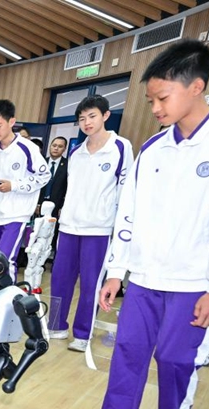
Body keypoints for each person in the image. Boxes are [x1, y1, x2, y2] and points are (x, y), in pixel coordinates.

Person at [72, 40, 209, 409]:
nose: (155, 107)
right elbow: (129, 212)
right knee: (128, 354)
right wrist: (117, 271)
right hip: (144, 278)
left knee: (177, 361)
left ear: (196, 86)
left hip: (195, 282)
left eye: (162, 97)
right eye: (150, 100)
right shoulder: (153, 149)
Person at [48, 96, 133, 352]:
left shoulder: (121, 147)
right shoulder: (76, 151)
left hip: (99, 229)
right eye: (82, 118)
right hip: (69, 228)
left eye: (92, 116)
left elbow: (125, 191)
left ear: (105, 116)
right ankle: (55, 325)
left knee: (91, 284)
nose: (87, 122)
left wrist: (120, 228)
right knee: (60, 280)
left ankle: (83, 333)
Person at [0, 100, 50, 280]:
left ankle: (7, 303)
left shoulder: (28, 148)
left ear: (12, 122)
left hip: (16, 214)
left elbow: (44, 176)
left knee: (3, 261)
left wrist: (13, 185)